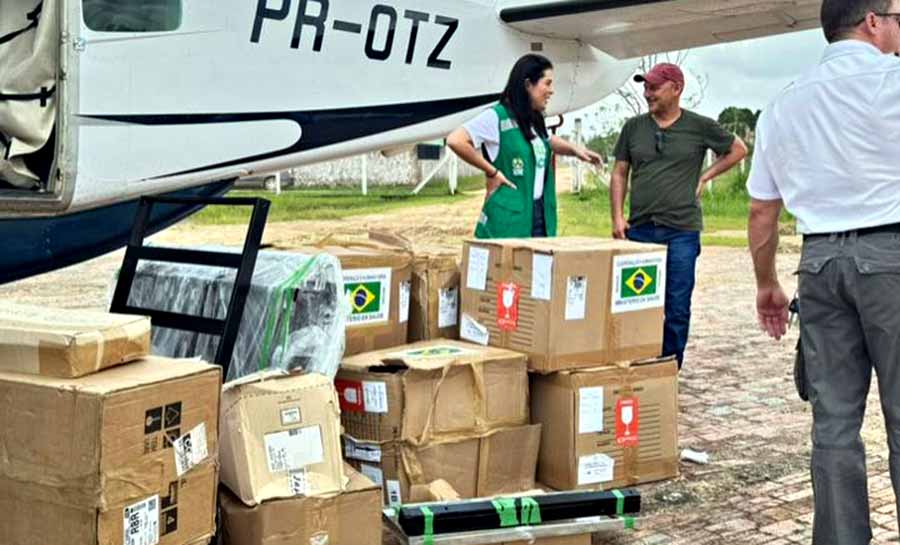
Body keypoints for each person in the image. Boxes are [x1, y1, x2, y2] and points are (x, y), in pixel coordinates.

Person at [748, 1, 900, 542]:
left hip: (819, 265)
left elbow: (763, 210)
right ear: (873, 21)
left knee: (833, 425)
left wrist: (767, 284)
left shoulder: (785, 102)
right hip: (891, 257)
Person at [609, 62, 747, 368]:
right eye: (645, 87)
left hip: (681, 231)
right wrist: (617, 216)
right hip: (640, 230)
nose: (648, 94)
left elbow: (738, 149)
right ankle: (633, 365)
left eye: (654, 87)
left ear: (676, 88)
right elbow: (620, 172)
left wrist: (706, 175)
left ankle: (668, 369)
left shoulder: (699, 126)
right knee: (634, 304)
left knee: (676, 305)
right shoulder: (634, 127)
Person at [447, 54, 602, 239]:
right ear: (528, 84)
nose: (551, 91)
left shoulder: (534, 119)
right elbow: (456, 140)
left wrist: (576, 150)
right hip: (509, 218)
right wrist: (492, 173)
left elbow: (546, 140)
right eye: (547, 83)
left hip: (538, 215)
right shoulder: (497, 117)